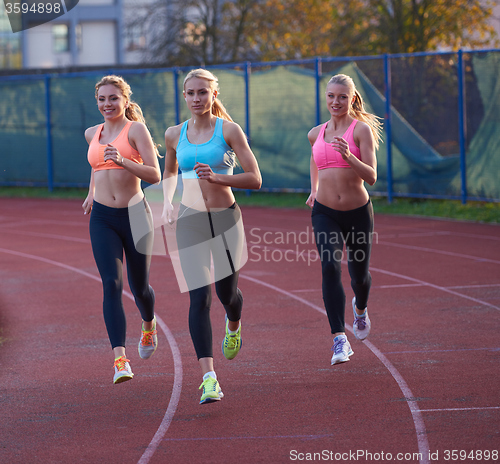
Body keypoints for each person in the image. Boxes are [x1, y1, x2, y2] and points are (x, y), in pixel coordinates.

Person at [162, 68, 261, 404]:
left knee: (227, 293)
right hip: (189, 220)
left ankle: (234, 322)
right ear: (185, 96)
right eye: (190, 93)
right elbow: (171, 172)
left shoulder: (229, 131)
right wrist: (167, 203)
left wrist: (218, 179)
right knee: (199, 299)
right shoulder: (174, 134)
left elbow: (255, 178)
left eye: (202, 92)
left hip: (225, 220)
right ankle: (209, 378)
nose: (196, 99)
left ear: (214, 94)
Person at [82, 75, 162, 384]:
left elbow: (154, 174)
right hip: (102, 218)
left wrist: (125, 162)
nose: (106, 104)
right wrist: (91, 191)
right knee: (111, 284)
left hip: (135, 215)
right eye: (101, 99)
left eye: (113, 98)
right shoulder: (92, 132)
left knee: (139, 286)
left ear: (124, 101)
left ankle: (148, 323)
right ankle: (120, 360)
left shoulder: (136, 130)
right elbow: (96, 163)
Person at [306, 73, 382, 365]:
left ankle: (360, 309)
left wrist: (349, 156)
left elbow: (372, 177)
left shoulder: (360, 130)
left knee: (359, 277)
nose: (335, 102)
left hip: (358, 213)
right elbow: (313, 159)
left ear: (351, 99)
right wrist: (313, 189)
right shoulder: (315, 133)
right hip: (324, 212)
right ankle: (339, 339)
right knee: (329, 267)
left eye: (341, 97)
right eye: (330, 96)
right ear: (325, 97)